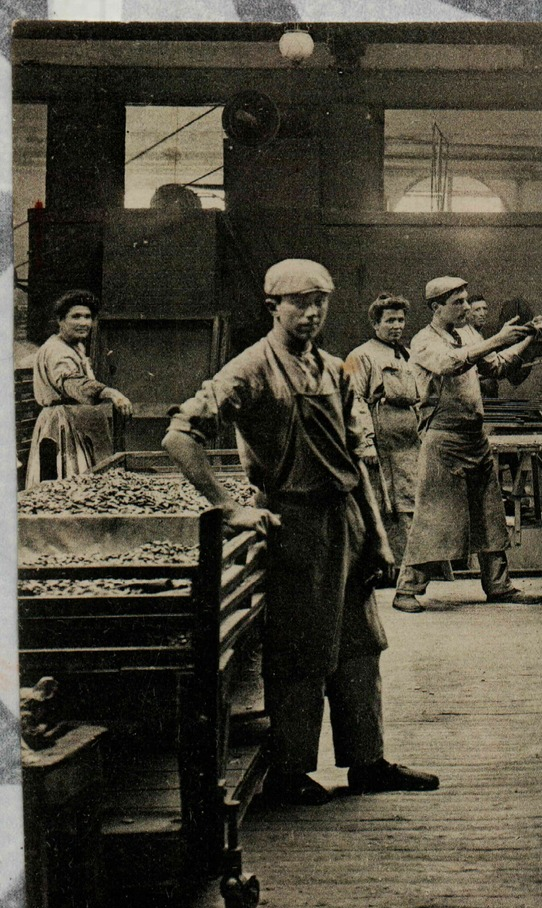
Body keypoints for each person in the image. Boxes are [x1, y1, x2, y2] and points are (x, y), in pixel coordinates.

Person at [164, 259, 439, 805]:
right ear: (273, 306)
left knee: (362, 646)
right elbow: (179, 436)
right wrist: (227, 507)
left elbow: (355, 456)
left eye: (321, 301)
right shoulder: (248, 370)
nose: (312, 312)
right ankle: (289, 773)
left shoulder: (335, 369)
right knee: (300, 653)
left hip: (347, 520)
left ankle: (368, 761)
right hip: (294, 527)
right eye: (299, 302)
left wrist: (379, 538)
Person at [392, 276, 542, 613]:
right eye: (457, 302)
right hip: (442, 440)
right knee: (434, 517)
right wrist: (496, 339)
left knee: (490, 514)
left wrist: (524, 339)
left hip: (475, 438)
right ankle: (406, 590)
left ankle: (499, 586)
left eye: (466, 300)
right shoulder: (422, 341)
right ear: (436, 307)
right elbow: (452, 363)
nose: (465, 307)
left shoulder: (468, 334)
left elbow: (495, 367)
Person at [344, 293, 434, 577]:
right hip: (380, 447)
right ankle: (385, 571)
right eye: (390, 320)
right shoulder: (359, 355)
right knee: (385, 506)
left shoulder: (407, 354)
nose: (397, 325)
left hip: (409, 444)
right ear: (375, 324)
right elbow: (352, 399)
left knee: (410, 505)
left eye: (401, 319)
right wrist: (366, 441)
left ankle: (413, 571)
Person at [26, 290, 132, 486]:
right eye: (76, 316)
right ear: (60, 320)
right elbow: (73, 384)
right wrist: (111, 393)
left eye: (88, 317)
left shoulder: (76, 346)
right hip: (63, 426)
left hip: (79, 425)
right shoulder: (57, 351)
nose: (83, 323)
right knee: (69, 484)